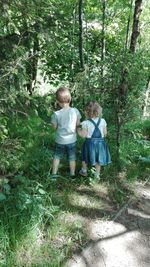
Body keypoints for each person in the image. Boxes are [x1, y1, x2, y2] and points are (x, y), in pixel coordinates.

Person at [51, 87, 81, 179]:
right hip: (72, 140)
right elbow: (78, 124)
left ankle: (54, 175)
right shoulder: (75, 111)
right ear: (70, 99)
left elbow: (54, 128)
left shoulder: (56, 114)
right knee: (72, 158)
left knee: (57, 157)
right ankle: (72, 175)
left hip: (60, 140)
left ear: (57, 101)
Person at [77, 101, 111, 179]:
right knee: (98, 159)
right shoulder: (103, 121)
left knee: (85, 156)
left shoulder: (86, 123)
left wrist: (78, 129)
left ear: (87, 112)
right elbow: (105, 133)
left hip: (89, 143)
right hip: (100, 143)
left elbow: (83, 135)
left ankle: (84, 171)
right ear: (99, 111)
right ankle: (97, 175)